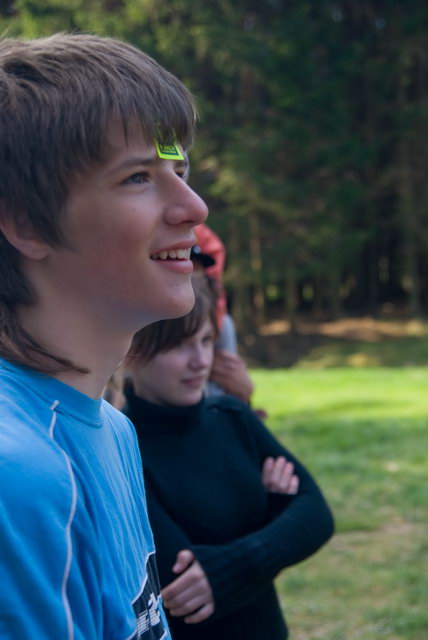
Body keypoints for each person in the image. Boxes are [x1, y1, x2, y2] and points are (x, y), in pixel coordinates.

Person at [0, 33, 208, 639]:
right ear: (26, 223)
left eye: (180, 170)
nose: (193, 207)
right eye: (139, 177)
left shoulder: (111, 429)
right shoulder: (19, 479)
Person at [124, 275, 335, 640]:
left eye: (206, 341)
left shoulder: (233, 417)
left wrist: (231, 568)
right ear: (131, 349)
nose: (201, 361)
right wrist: (277, 521)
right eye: (179, 345)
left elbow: (318, 515)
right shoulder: (125, 448)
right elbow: (183, 591)